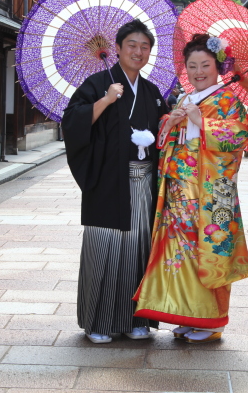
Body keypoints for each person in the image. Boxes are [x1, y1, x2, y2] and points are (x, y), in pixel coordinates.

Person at [134, 33, 248, 344]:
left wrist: (203, 121)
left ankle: (211, 321)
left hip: (212, 191)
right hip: (179, 189)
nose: (199, 72)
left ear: (218, 67)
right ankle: (187, 313)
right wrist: (170, 123)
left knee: (209, 252)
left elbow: (239, 136)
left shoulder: (227, 100)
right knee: (181, 253)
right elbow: (167, 138)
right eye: (192, 66)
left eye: (205, 65)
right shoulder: (185, 98)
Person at [61, 19, 169, 344]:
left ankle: (137, 320)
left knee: (138, 251)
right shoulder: (97, 84)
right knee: (105, 250)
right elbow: (72, 122)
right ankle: (98, 322)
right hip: (108, 183)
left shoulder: (151, 92)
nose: (138, 51)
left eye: (144, 47)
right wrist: (107, 100)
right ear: (118, 48)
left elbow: (165, 135)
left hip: (144, 184)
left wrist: (170, 122)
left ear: (149, 52)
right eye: (132, 45)